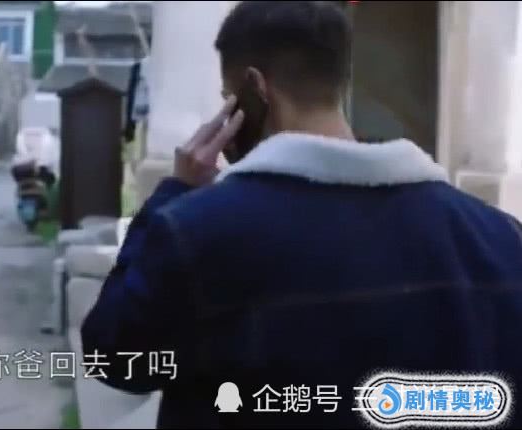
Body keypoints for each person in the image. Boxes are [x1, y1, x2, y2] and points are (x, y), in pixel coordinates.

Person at [80, 1, 522, 428]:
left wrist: (174, 193)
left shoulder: (196, 233)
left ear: (255, 88)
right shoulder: (498, 237)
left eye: (228, 98)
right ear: (338, 83)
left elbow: (115, 357)